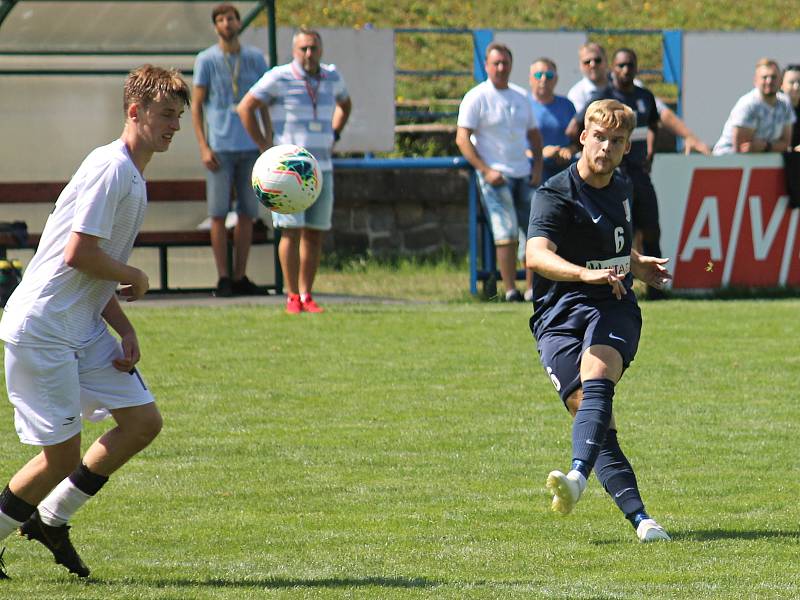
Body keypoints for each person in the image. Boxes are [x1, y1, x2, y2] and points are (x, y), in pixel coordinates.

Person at [0, 65, 190, 578]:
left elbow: (90, 271)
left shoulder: (132, 173)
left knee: (142, 422)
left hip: (79, 325)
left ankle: (51, 518)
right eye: (165, 115)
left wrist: (124, 326)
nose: (174, 126)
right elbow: (78, 255)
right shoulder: (112, 169)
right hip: (43, 327)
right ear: (135, 112)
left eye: (179, 117)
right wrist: (135, 275)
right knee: (59, 460)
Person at [526, 98, 672, 543]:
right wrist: (586, 273)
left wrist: (637, 264)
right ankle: (642, 520)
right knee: (594, 417)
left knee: (598, 373)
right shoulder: (554, 193)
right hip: (558, 314)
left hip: (613, 304)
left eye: (617, 141)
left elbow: (611, 246)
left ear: (627, 147)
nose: (606, 147)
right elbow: (535, 255)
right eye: (600, 138)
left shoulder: (623, 187)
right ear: (583, 137)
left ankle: (576, 476)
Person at [237, 28, 351, 314]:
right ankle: (291, 296)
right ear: (294, 51)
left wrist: (334, 133)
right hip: (287, 174)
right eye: (303, 49)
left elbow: (345, 104)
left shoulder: (332, 76)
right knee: (290, 230)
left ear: (321, 49)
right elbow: (246, 107)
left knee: (315, 232)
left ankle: (307, 294)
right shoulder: (280, 76)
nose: (309, 54)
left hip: (321, 168)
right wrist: (265, 147)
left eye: (313, 48)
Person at [574, 49, 665, 299]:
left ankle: (658, 286)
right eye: (621, 66)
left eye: (630, 65)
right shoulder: (605, 98)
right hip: (614, 175)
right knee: (620, 228)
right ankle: (623, 284)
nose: (626, 70)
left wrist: (650, 155)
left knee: (651, 227)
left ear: (637, 68)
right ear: (613, 68)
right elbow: (574, 127)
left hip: (639, 173)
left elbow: (656, 125)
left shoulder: (645, 96)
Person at [456, 42, 544, 302]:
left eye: (505, 63)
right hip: (496, 175)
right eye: (496, 63)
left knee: (535, 232)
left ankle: (532, 290)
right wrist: (485, 170)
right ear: (486, 66)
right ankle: (510, 290)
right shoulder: (476, 96)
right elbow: (462, 138)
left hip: (524, 172)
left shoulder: (520, 96)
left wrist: (537, 166)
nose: (501, 68)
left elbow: (534, 135)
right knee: (505, 233)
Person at [192, 3, 268, 297]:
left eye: (232, 18)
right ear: (216, 26)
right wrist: (203, 146)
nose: (228, 24)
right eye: (222, 20)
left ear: (239, 23)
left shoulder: (254, 59)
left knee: (248, 212)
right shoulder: (207, 60)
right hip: (220, 147)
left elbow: (263, 101)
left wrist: (266, 140)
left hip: (250, 147)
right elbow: (197, 106)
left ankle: (240, 275)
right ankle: (223, 276)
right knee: (218, 213)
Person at [567, 42, 711, 155]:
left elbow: (662, 114)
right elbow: (576, 131)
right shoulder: (576, 94)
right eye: (587, 62)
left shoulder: (633, 86)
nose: (593, 65)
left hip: (634, 163)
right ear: (580, 66)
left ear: (606, 62)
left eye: (597, 60)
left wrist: (689, 137)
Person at [713, 58, 795, 155]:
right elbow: (742, 149)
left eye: (773, 77)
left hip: (761, 160)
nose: (769, 81)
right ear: (755, 81)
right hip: (727, 160)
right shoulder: (748, 105)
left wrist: (765, 146)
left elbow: (785, 144)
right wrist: (770, 146)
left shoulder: (785, 104)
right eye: (764, 77)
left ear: (781, 81)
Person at [529, 57, 577, 182]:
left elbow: (579, 140)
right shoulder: (523, 105)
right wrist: (541, 153)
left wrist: (569, 150)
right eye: (539, 75)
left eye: (549, 75)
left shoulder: (567, 105)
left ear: (556, 79)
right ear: (530, 79)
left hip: (564, 172)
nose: (543, 79)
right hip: (532, 173)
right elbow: (514, 146)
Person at [780, 64, 800, 151]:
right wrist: (794, 150)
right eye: (791, 83)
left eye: (799, 82)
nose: (796, 87)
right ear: (781, 84)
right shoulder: (774, 109)